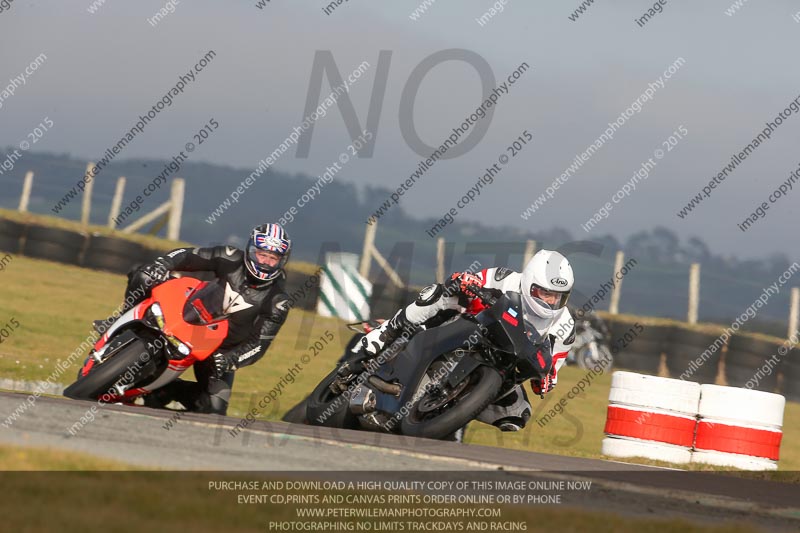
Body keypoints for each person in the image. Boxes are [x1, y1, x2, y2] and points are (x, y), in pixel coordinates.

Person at [342, 249, 576, 432]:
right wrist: (466, 281)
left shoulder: (565, 328)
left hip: (505, 362)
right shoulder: (505, 278)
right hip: (470, 331)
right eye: (545, 293)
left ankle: (448, 415)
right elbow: (469, 279)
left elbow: (551, 369)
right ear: (529, 282)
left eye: (558, 297)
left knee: (517, 415)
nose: (551, 302)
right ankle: (385, 332)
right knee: (439, 294)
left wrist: (545, 380)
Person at [94, 223, 292, 415]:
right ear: (250, 251)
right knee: (145, 275)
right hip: (189, 310)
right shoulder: (230, 257)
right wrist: (163, 264)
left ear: (282, 261)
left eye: (273, 257)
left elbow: (259, 345)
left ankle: (163, 390)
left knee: (214, 408)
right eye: (262, 254)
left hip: (218, 351)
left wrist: (230, 360)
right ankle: (121, 322)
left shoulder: (278, 301)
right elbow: (187, 255)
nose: (266, 261)